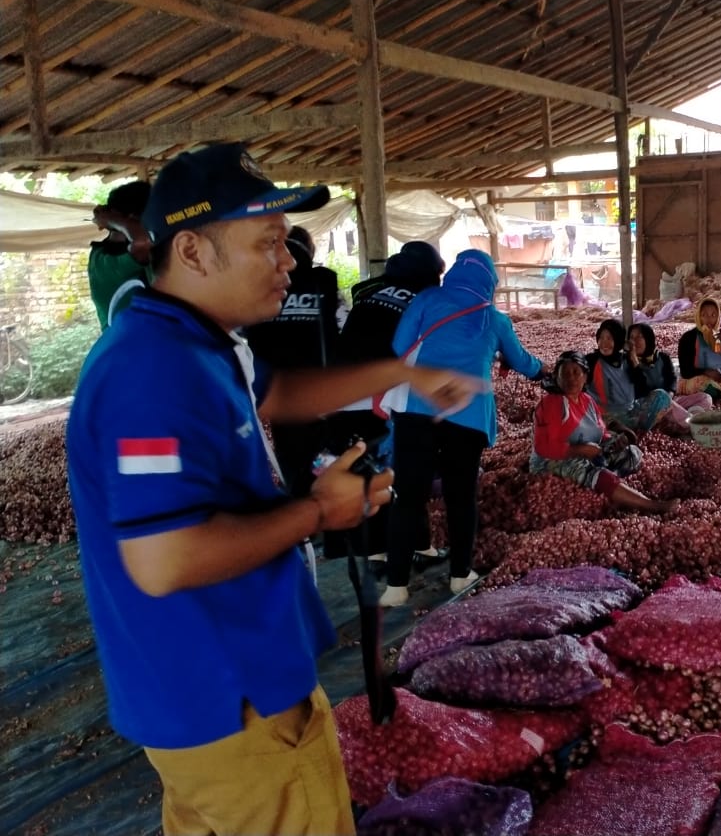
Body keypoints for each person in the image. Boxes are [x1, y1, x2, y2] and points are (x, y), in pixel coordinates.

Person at [65, 142, 480, 836]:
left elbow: (280, 393)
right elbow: (163, 559)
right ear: (194, 252)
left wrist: (399, 376)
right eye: (267, 244)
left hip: (201, 694)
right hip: (231, 696)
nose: (289, 260)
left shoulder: (198, 340)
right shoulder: (152, 372)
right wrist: (319, 510)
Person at [380, 249, 544, 607]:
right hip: (467, 414)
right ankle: (459, 575)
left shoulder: (428, 298)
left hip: (417, 408)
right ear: (489, 282)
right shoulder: (494, 319)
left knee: (408, 494)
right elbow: (522, 362)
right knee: (460, 496)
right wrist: (545, 370)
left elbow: (398, 345)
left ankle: (396, 586)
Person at [324, 241, 446, 563]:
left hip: (341, 398)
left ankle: (376, 550)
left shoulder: (369, 296)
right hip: (381, 400)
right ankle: (416, 546)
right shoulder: (425, 302)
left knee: (366, 471)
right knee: (407, 471)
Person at [242, 225, 345, 495]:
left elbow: (249, 334)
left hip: (279, 386)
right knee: (323, 448)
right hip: (320, 383)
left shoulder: (263, 287)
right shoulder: (324, 282)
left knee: (290, 449)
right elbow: (340, 327)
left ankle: (301, 501)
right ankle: (322, 499)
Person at [531, 351, 673, 514]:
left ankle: (606, 483)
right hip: (553, 459)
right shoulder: (552, 404)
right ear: (557, 377)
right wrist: (580, 450)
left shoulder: (587, 400)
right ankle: (648, 504)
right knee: (587, 470)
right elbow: (543, 447)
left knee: (632, 455)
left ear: (585, 377)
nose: (571, 378)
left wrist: (615, 439)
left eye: (576, 373)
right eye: (565, 374)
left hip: (587, 452)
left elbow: (600, 432)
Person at [585, 318, 673, 436]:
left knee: (661, 396)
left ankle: (633, 429)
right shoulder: (592, 361)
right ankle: (629, 430)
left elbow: (643, 390)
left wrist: (634, 361)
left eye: (609, 338)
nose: (603, 343)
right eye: (601, 338)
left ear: (618, 340)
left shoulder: (626, 359)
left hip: (630, 410)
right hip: (607, 416)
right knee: (613, 427)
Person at [89, 180, 152, 329]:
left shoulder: (156, 251)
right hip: (130, 347)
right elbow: (142, 241)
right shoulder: (102, 261)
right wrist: (108, 219)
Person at [628, 322, 711, 431]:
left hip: (669, 402)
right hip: (647, 409)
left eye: (640, 337)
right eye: (632, 337)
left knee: (705, 398)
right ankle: (691, 423)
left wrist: (670, 395)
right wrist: (635, 362)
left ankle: (682, 419)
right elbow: (642, 389)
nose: (635, 342)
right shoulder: (628, 363)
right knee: (661, 395)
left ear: (648, 338)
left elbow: (672, 380)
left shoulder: (662, 357)